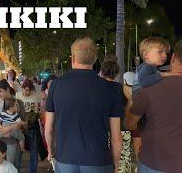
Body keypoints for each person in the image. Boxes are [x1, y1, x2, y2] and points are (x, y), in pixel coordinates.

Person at [45, 37, 123, 173]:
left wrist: (50, 150)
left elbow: (48, 129)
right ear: (94, 59)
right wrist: (116, 165)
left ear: (73, 58)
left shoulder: (55, 85)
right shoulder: (112, 89)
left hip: (65, 160)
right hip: (98, 161)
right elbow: (116, 137)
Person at [125, 40, 182, 173]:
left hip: (154, 163)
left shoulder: (152, 82)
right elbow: (144, 81)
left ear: (173, 57)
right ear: (146, 54)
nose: (164, 56)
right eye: (160, 52)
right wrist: (167, 74)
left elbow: (129, 124)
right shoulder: (146, 68)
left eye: (166, 53)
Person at [0, 79, 26, 171]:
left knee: (14, 165)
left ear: (7, 89)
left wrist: (8, 129)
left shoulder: (18, 103)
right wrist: (3, 129)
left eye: (1, 91)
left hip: (14, 138)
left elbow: (22, 121)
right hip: (1, 137)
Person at [16, 79, 45, 173]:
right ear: (22, 88)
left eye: (29, 90)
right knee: (20, 150)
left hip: (33, 126)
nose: (27, 92)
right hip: (20, 126)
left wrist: (41, 112)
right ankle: (16, 170)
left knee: (34, 151)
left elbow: (46, 98)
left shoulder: (36, 95)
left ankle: (33, 171)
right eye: (25, 90)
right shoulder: (17, 95)